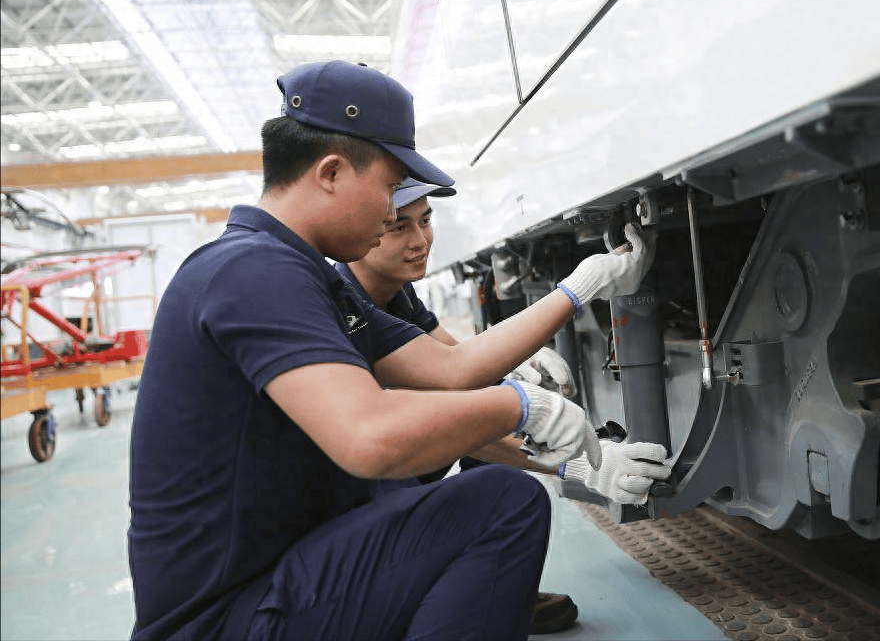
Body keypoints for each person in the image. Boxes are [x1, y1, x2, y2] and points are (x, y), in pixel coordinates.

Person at [127, 60, 658, 641]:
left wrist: (580, 287)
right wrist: (522, 407)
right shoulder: (254, 271)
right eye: (387, 188)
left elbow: (453, 369)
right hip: (227, 619)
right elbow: (369, 436)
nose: (390, 215)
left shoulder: (305, 276)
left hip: (273, 580)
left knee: (475, 491)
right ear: (330, 172)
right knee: (501, 505)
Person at [338, 179, 674, 634]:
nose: (420, 241)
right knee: (508, 492)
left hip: (372, 486)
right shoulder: (345, 306)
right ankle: (434, 598)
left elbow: (457, 368)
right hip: (349, 508)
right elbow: (436, 417)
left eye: (426, 220)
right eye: (399, 227)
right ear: (363, 227)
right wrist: (580, 468)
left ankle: (487, 586)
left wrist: (513, 366)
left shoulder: (393, 292)